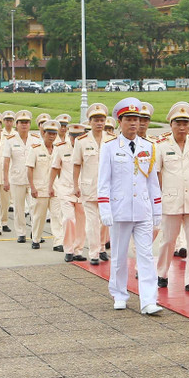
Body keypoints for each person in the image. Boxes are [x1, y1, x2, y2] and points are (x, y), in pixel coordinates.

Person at [97, 97, 164, 315]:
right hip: (120, 210)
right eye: (129, 119)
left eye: (137, 119)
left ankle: (148, 300)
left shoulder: (149, 147)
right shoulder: (109, 148)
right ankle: (119, 294)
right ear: (120, 121)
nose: (134, 123)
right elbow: (103, 182)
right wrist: (105, 209)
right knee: (118, 256)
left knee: (145, 256)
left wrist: (157, 210)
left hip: (143, 210)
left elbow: (152, 182)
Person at [153, 102, 189, 293]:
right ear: (171, 124)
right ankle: (162, 273)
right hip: (171, 201)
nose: (182, 127)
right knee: (168, 240)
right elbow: (157, 173)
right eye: (178, 123)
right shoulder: (161, 145)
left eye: (185, 123)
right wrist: (159, 197)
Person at [73, 103, 111, 264]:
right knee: (92, 222)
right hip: (89, 186)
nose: (99, 123)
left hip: (107, 188)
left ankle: (102, 246)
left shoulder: (111, 140)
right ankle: (94, 253)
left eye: (102, 120)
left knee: (106, 221)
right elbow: (76, 164)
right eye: (96, 120)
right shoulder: (81, 141)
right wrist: (75, 185)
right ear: (90, 122)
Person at [51, 124, 87, 262]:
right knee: (68, 219)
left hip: (83, 190)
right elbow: (55, 168)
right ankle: (68, 250)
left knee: (81, 222)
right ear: (69, 136)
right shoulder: (61, 148)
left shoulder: (88, 147)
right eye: (73, 136)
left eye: (79, 136)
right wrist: (50, 185)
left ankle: (78, 250)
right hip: (66, 189)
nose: (75, 139)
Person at [2, 110, 34, 243]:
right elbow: (6, 161)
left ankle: (36, 232)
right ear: (17, 124)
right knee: (19, 208)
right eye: (21, 123)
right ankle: (21, 233)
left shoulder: (36, 140)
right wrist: (5, 179)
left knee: (35, 207)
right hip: (17, 178)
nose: (24, 125)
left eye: (27, 122)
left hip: (33, 180)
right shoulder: (10, 141)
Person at [27, 121, 59, 249]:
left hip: (55, 188)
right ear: (43, 133)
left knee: (57, 216)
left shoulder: (58, 149)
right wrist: (32, 187)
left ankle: (58, 242)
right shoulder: (35, 149)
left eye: (54, 134)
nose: (52, 136)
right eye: (49, 133)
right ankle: (36, 239)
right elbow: (29, 168)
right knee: (39, 216)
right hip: (40, 188)